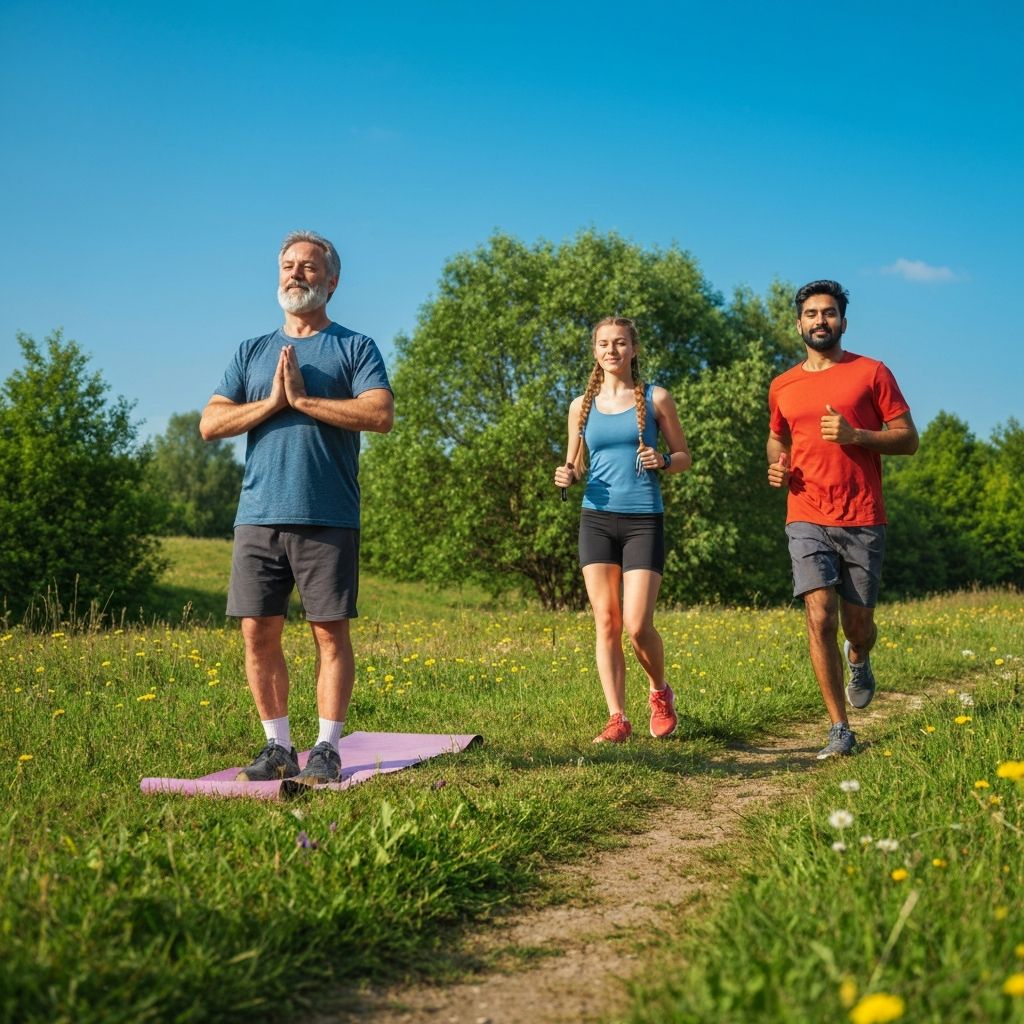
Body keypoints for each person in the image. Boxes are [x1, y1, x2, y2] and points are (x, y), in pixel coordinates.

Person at [200, 230, 394, 785]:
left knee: (329, 633)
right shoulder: (251, 352)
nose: (296, 274)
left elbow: (380, 414)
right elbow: (211, 423)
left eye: (309, 267)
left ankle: (327, 748)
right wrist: (271, 403)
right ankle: (277, 746)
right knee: (258, 632)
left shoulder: (354, 347)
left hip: (327, 512)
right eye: (288, 265)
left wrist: (304, 401)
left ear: (332, 281)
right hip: (258, 514)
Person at [767, 280, 918, 759]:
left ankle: (860, 657)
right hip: (806, 513)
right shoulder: (783, 384)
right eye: (811, 314)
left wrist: (856, 435)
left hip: (863, 515)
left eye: (828, 313)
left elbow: (908, 439)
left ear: (842, 322)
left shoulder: (871, 373)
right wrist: (778, 462)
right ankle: (839, 728)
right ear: (798, 323)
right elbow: (777, 438)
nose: (819, 321)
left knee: (857, 624)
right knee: (818, 613)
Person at [554, 317, 692, 744]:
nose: (611, 350)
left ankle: (659, 692)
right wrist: (567, 474)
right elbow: (575, 463)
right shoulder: (581, 405)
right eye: (603, 344)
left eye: (619, 343)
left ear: (633, 349)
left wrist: (664, 461)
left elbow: (684, 455)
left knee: (636, 623)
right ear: (595, 351)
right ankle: (617, 717)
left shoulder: (655, 398)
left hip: (643, 518)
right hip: (596, 517)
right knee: (606, 621)